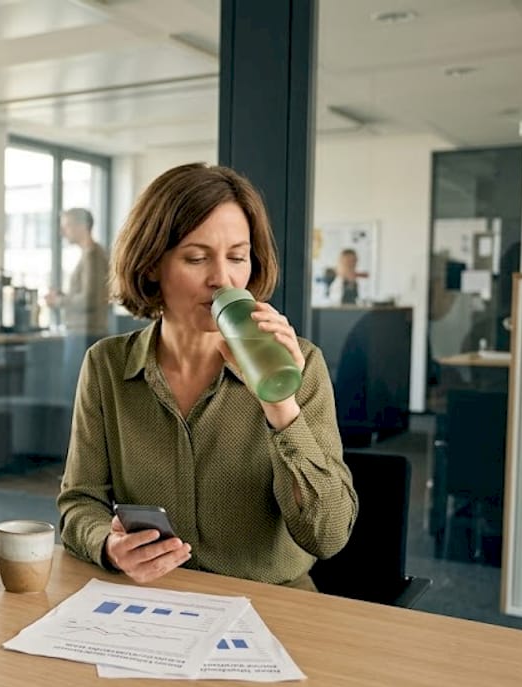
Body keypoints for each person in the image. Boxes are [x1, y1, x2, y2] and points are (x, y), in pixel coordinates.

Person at [56, 162, 356, 589]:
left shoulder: (300, 364)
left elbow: (328, 536)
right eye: (196, 258)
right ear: (151, 265)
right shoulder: (107, 365)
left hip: (271, 608)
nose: (223, 278)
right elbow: (79, 503)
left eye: (237, 257)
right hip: (152, 603)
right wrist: (107, 543)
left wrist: (280, 406)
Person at [45, 208, 111, 399]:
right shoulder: (90, 254)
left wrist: (58, 300)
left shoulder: (93, 255)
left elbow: (90, 298)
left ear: (82, 226)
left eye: (67, 226)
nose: (62, 232)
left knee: (76, 396)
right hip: (83, 333)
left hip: (85, 334)